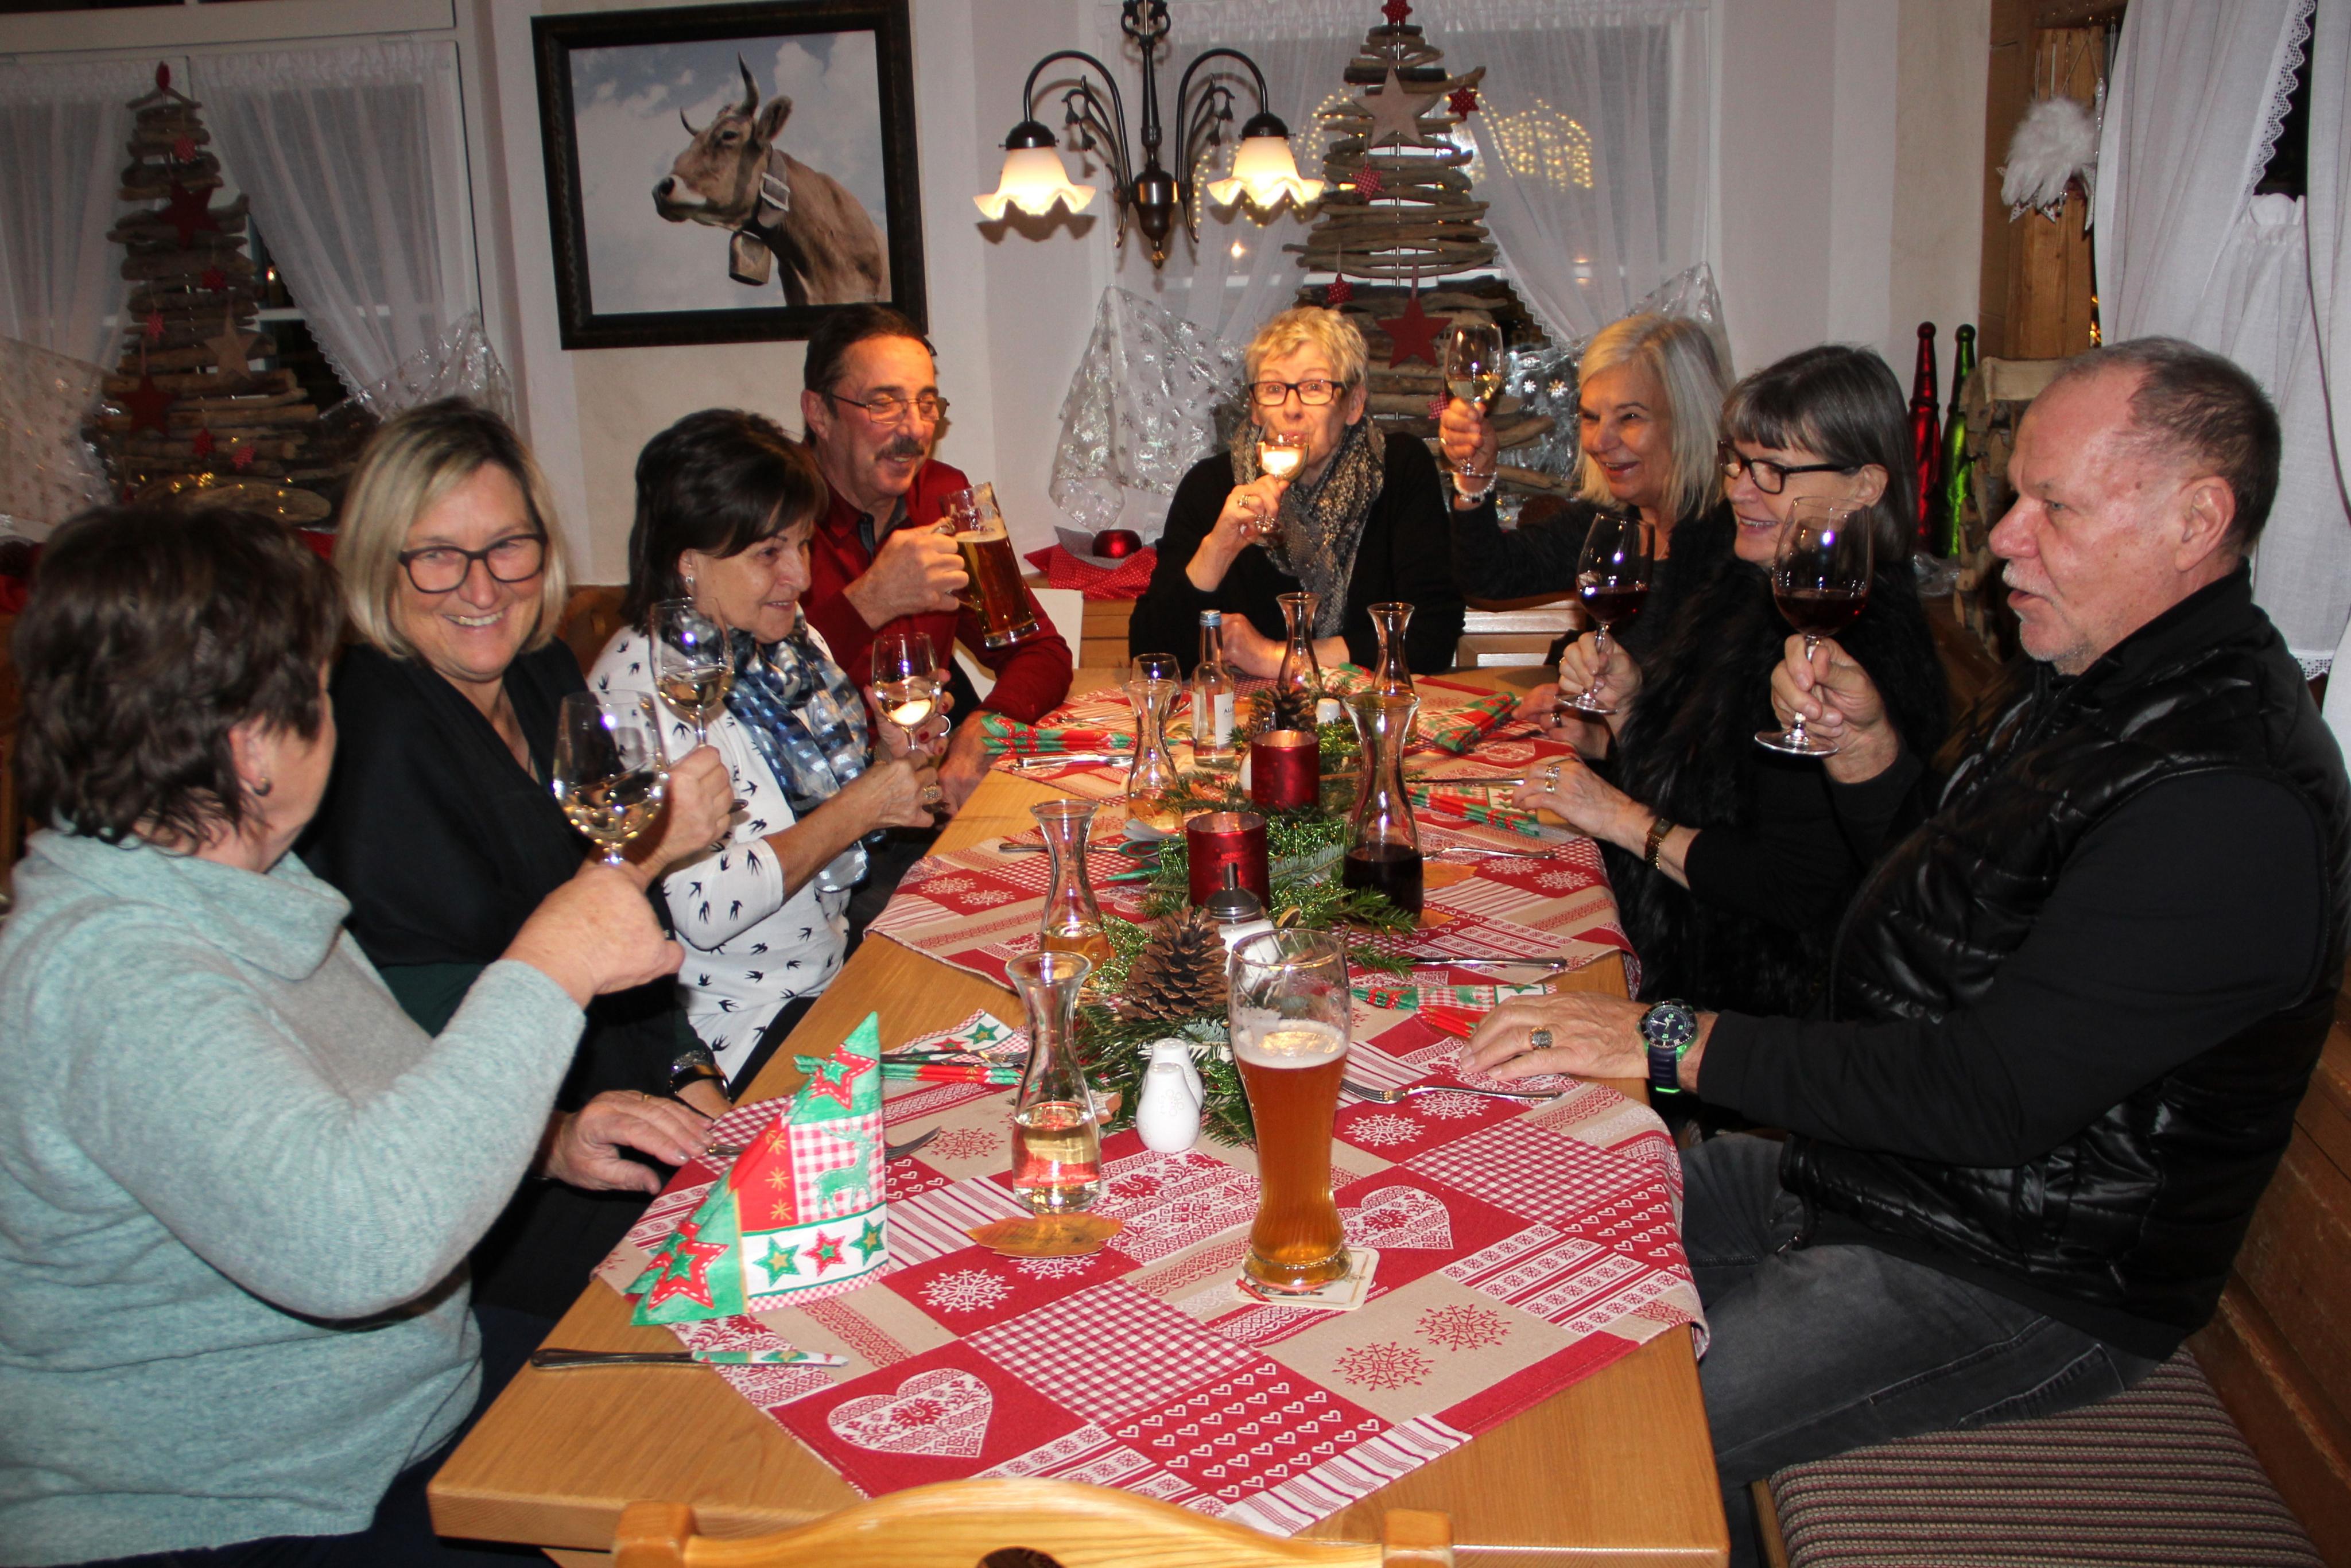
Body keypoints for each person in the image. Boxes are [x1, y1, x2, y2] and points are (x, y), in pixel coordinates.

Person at [1462, 339, 2351, 1567]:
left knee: (1601, 1447)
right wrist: (1871, 760)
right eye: (2014, 499)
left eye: (2053, 508)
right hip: (1883, 1180)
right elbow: (1937, 905)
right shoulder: (2088, 677)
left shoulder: (2224, 794)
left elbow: (1989, 1094)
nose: (2004, 541)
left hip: (2015, 1271)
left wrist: (1664, 1038)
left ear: (2195, 520)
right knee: (1511, 1212)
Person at [0, 505, 694, 1566]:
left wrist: (548, 1138)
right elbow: (361, 1244)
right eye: (322, 695)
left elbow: (363, 1113)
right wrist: (549, 963)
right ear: (252, 746)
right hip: (239, 1510)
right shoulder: (111, 972)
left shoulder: (245, 891)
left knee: (732, 1403)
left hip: (407, 1413)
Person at [300, 401, 732, 1322]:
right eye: (437, 555)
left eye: (507, 547)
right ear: (379, 563)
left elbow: (625, 933)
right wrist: (561, 1134)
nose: (481, 588)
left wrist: (691, 1075)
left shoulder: (543, 678)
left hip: (626, 1119)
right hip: (510, 1200)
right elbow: (405, 1034)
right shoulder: (376, 734)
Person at [1485, 346, 1949, 1019]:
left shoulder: (1857, 643)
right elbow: (1703, 786)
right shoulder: (1746, 588)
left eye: (1773, 470)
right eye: (1736, 461)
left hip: (1749, 1008)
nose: (1738, 490)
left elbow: (1789, 888)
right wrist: (1627, 707)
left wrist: (1619, 819)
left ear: (1865, 486)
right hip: (1666, 946)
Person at [593, 409, 940, 1089]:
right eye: (768, 554)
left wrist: (892, 761)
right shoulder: (646, 686)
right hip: (741, 1032)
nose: (800, 576)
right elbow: (701, 906)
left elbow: (834, 818)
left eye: (803, 545)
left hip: (830, 976)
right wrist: (863, 805)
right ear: (688, 562)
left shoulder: (781, 641)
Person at [798, 303, 1073, 816]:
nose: (915, 429)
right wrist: (871, 601)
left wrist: (986, 728)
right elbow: (756, 694)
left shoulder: (945, 497)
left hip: (927, 800)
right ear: (819, 413)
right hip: (821, 813)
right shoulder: (773, 520)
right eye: (883, 404)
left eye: (927, 404)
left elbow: (1041, 651)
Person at [1129, 306, 1463, 676]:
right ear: (1256, 409)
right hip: (1248, 710)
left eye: (1314, 388)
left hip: (1366, 706)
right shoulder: (1211, 487)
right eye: (1274, 389)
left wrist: (1275, 656)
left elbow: (1432, 636)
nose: (1292, 409)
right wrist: (1218, 548)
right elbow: (1150, 655)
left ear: (1353, 404)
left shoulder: (1398, 469)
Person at [1441, 312, 1731, 674]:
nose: (1599, 442)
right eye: (1591, 417)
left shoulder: (1738, 538)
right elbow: (1489, 576)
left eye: (1629, 417)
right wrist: (1475, 477)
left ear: (1689, 421)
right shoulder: (1608, 522)